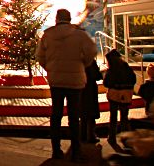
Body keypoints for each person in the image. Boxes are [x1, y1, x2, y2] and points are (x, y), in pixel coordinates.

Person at [35, 9, 97, 162]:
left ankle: (56, 150)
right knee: (74, 116)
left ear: (56, 19)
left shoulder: (48, 35)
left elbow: (39, 56)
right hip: (75, 81)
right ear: (70, 19)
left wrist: (49, 68)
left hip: (56, 80)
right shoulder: (80, 35)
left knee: (56, 115)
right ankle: (76, 151)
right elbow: (92, 51)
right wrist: (83, 64)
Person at [103, 49, 136, 147]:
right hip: (126, 94)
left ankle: (112, 137)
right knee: (124, 117)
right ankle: (125, 138)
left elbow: (106, 83)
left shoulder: (111, 69)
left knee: (113, 116)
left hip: (114, 94)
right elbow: (133, 79)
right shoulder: (126, 67)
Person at [80, 59, 103, 143]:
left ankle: (82, 135)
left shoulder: (77, 60)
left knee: (83, 114)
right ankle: (91, 136)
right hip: (90, 88)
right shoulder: (90, 61)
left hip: (80, 88)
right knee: (91, 113)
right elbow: (96, 75)